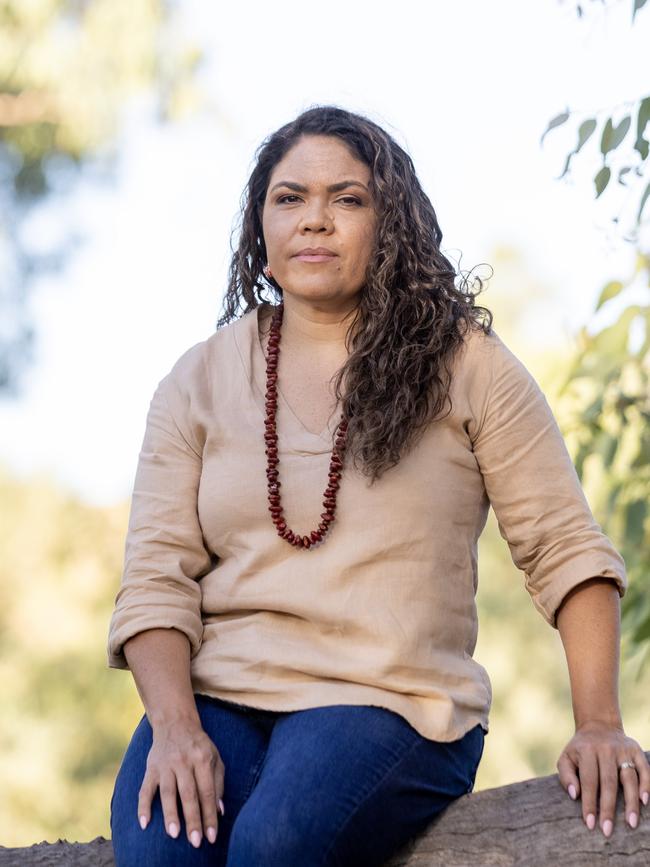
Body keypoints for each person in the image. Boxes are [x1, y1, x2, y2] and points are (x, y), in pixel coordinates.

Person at [107, 104, 649, 867]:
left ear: (389, 224)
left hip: (395, 699)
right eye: (289, 198)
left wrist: (598, 721)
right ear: (261, 230)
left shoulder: (469, 364)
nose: (315, 220)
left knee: (276, 843)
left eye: (348, 199)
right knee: (162, 849)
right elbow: (155, 578)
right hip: (218, 695)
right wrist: (173, 728)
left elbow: (563, 547)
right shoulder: (197, 379)